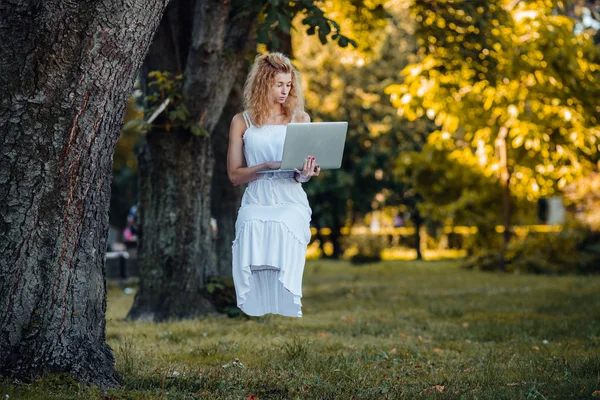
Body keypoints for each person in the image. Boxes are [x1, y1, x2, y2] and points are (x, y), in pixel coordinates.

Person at [227, 52, 320, 318]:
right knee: (250, 222)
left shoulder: (300, 119)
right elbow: (234, 176)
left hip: (289, 195)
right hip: (258, 196)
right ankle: (256, 299)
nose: (285, 90)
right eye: (279, 84)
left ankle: (285, 293)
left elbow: (299, 175)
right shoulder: (241, 122)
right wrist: (265, 166)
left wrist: (305, 173)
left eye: (288, 84)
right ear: (262, 84)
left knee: (286, 221)